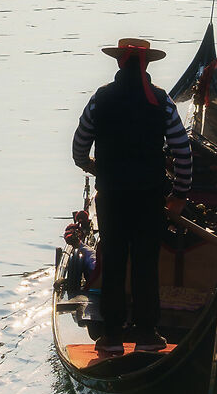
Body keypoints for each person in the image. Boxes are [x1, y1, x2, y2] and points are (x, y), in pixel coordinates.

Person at [72, 38, 193, 355]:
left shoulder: (100, 99)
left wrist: (96, 168)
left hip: (111, 197)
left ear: (119, 63)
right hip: (150, 198)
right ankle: (148, 335)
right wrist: (179, 195)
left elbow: (79, 147)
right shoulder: (162, 101)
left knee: (112, 260)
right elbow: (182, 152)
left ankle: (110, 336)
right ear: (147, 64)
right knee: (145, 264)